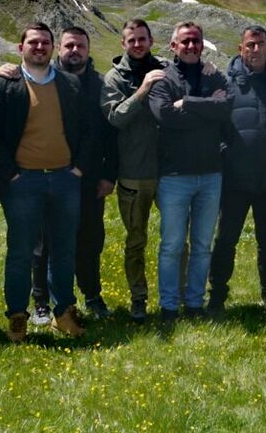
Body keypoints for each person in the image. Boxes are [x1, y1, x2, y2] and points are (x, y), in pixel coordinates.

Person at [0, 22, 94, 342]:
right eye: (33, 42)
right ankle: (17, 316)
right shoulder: (5, 84)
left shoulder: (70, 84)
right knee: (20, 252)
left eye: (45, 42)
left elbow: (89, 130)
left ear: (53, 48)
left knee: (64, 250)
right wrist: (12, 175)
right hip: (23, 182)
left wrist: (79, 169)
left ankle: (63, 313)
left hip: (65, 179)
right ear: (21, 48)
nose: (39, 47)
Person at [0, 27, 117, 324]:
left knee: (88, 239)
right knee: (41, 244)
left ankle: (89, 297)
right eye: (69, 46)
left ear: (88, 49)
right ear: (59, 49)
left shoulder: (99, 83)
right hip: (40, 175)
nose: (75, 51)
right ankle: (41, 302)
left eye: (81, 46)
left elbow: (106, 133)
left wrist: (105, 173)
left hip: (83, 176)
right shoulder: (34, 77)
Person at [147, 22, 233, 323]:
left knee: (202, 245)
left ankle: (195, 304)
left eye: (196, 41)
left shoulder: (213, 75)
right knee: (172, 245)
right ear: (174, 46)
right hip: (174, 176)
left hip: (211, 174)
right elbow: (165, 115)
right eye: (185, 41)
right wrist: (207, 112)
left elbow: (226, 106)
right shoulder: (163, 79)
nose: (191, 46)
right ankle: (169, 306)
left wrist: (189, 103)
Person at [208, 26, 266, 314]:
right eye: (251, 45)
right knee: (225, 240)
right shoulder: (225, 82)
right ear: (240, 48)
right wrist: (226, 154)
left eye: (261, 44)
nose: (256, 50)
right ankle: (217, 295)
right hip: (235, 180)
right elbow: (216, 126)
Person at [101, 19, 167, 322]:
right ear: (123, 44)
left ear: (151, 40)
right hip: (133, 173)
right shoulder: (114, 78)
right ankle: (138, 298)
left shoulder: (166, 68)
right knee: (136, 240)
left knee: (176, 239)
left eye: (142, 39)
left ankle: (175, 296)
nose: (138, 44)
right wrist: (143, 89)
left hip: (168, 171)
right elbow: (116, 117)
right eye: (132, 40)